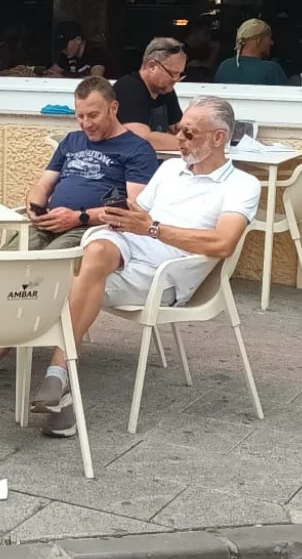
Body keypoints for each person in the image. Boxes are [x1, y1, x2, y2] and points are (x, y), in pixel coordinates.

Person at [30, 97, 260, 438]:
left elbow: (222, 244)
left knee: (60, 287)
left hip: (166, 275)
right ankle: (55, 374)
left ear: (218, 138)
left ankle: (46, 380)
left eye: (189, 133)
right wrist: (118, 216)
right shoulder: (169, 170)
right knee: (95, 250)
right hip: (129, 248)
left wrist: (152, 228)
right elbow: (138, 216)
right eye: (179, 129)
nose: (179, 138)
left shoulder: (242, 185)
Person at [23, 76, 159, 250]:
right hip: (49, 222)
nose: (86, 124)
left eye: (93, 115)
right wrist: (33, 209)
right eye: (80, 116)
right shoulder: (72, 140)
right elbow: (42, 186)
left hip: (93, 229)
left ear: (113, 108)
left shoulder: (137, 149)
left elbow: (134, 207)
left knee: (48, 262)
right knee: (8, 257)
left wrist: (80, 217)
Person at [114, 38, 187, 150]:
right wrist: (190, 144)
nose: (176, 79)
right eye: (173, 73)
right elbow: (141, 139)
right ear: (152, 66)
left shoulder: (166, 90)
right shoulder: (128, 88)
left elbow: (180, 129)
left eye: (180, 74)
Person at [214, 18, 288, 86]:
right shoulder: (272, 69)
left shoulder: (224, 66)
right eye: (269, 38)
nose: (272, 43)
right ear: (259, 41)